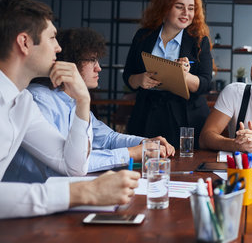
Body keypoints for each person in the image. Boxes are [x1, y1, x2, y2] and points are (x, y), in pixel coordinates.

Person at [0, 0, 139, 219]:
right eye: (52, 38)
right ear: (24, 42)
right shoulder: (30, 99)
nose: (59, 48)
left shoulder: (23, 102)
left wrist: (83, 100)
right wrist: (83, 191)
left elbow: (71, 166)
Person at [3, 28, 175, 183]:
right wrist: (131, 153)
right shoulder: (40, 99)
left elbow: (108, 138)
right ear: (71, 61)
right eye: (92, 60)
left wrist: (146, 143)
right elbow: (66, 165)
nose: (98, 68)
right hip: (28, 204)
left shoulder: (70, 100)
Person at [123, 0, 213, 149]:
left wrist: (185, 77)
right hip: (147, 113)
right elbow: (128, 75)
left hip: (186, 116)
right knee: (146, 165)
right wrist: (139, 79)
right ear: (165, 8)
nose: (186, 13)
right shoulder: (144, 36)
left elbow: (206, 84)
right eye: (179, 7)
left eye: (191, 8)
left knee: (185, 167)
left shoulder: (199, 41)